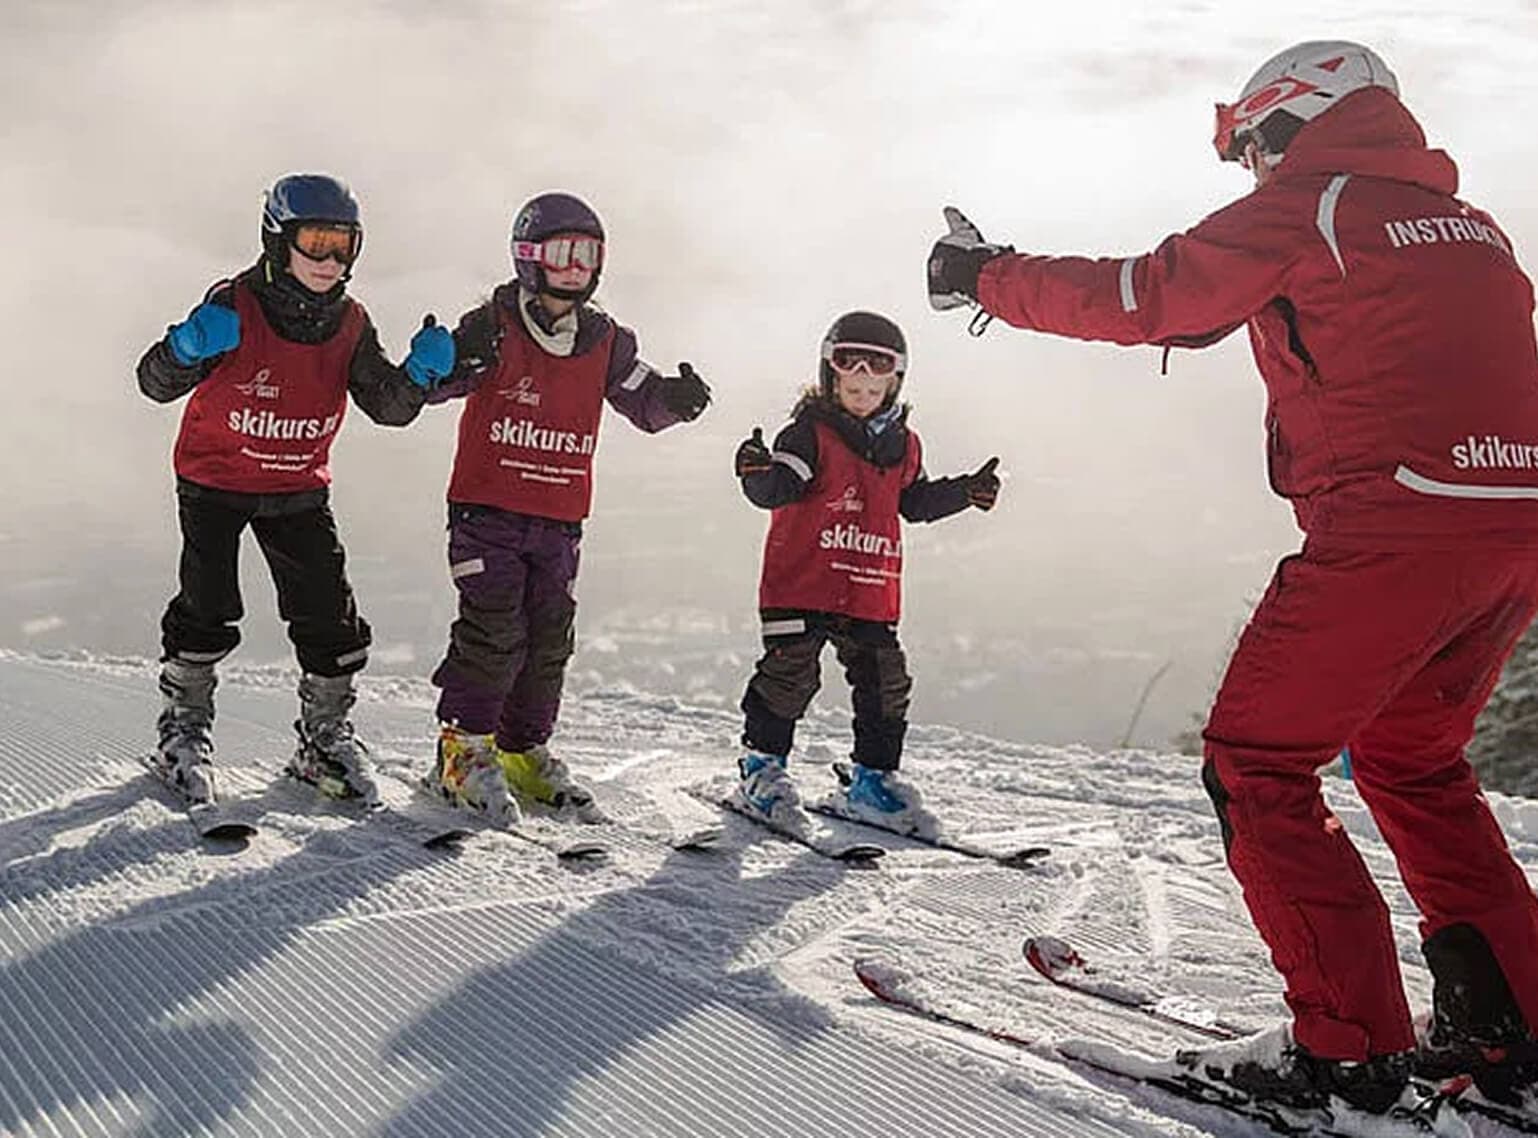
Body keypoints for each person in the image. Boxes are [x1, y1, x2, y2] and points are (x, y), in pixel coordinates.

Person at [928, 40, 1538, 1116]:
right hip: (1508, 536)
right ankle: (1514, 1027)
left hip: (1387, 532)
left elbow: (1145, 294)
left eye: (1251, 144)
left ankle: (1345, 1052)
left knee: (1256, 764)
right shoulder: (1473, 229)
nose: (1250, 168)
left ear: (1298, 118)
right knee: (1412, 760)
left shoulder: (1310, 206)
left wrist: (984, 278)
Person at [138, 173, 454, 808]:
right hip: (215, 481)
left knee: (328, 616)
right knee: (208, 605)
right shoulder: (233, 306)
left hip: (297, 486)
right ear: (278, 240)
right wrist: (184, 346)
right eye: (316, 242)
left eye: (345, 246)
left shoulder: (350, 322)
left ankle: (324, 739)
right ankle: (183, 732)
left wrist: (419, 376)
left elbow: (386, 407)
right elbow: (154, 382)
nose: (331, 261)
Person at [422, 191, 711, 826]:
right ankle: (464, 749)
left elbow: (641, 398)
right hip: (487, 510)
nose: (577, 268)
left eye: (589, 255)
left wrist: (675, 399)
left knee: (549, 637)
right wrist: (433, 367)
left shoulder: (605, 341)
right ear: (529, 257)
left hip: (558, 516)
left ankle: (523, 749)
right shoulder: (492, 325)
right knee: (494, 631)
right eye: (564, 254)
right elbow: (448, 381)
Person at [731, 310, 1000, 838]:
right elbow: (779, 489)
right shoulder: (809, 434)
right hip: (802, 581)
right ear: (830, 376)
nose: (861, 382)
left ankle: (871, 781)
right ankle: (761, 771)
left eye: (875, 375)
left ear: (894, 381)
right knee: (790, 676)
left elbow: (914, 502)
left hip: (868, 586)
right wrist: (757, 475)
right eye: (849, 374)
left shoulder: (904, 444)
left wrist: (964, 492)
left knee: (885, 684)